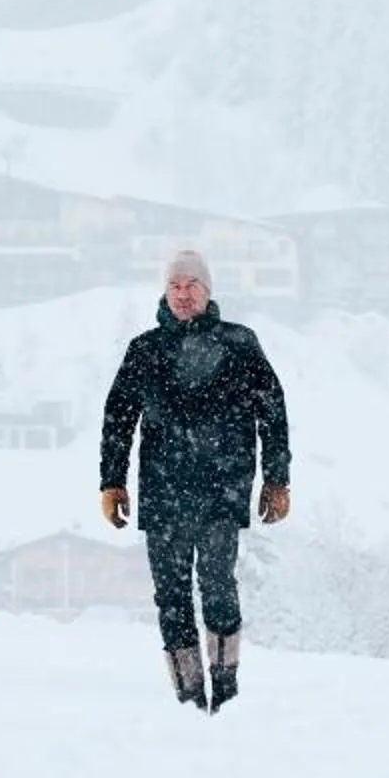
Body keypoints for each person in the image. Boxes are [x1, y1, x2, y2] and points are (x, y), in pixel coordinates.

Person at [98, 247, 291, 710]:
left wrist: (277, 479)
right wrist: (112, 481)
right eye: (175, 286)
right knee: (171, 597)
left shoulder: (239, 343)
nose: (183, 295)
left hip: (222, 492)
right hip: (164, 494)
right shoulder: (145, 350)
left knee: (218, 587)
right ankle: (188, 698)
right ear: (165, 292)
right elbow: (118, 418)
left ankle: (225, 693)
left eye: (192, 286)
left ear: (208, 291)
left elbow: (272, 411)